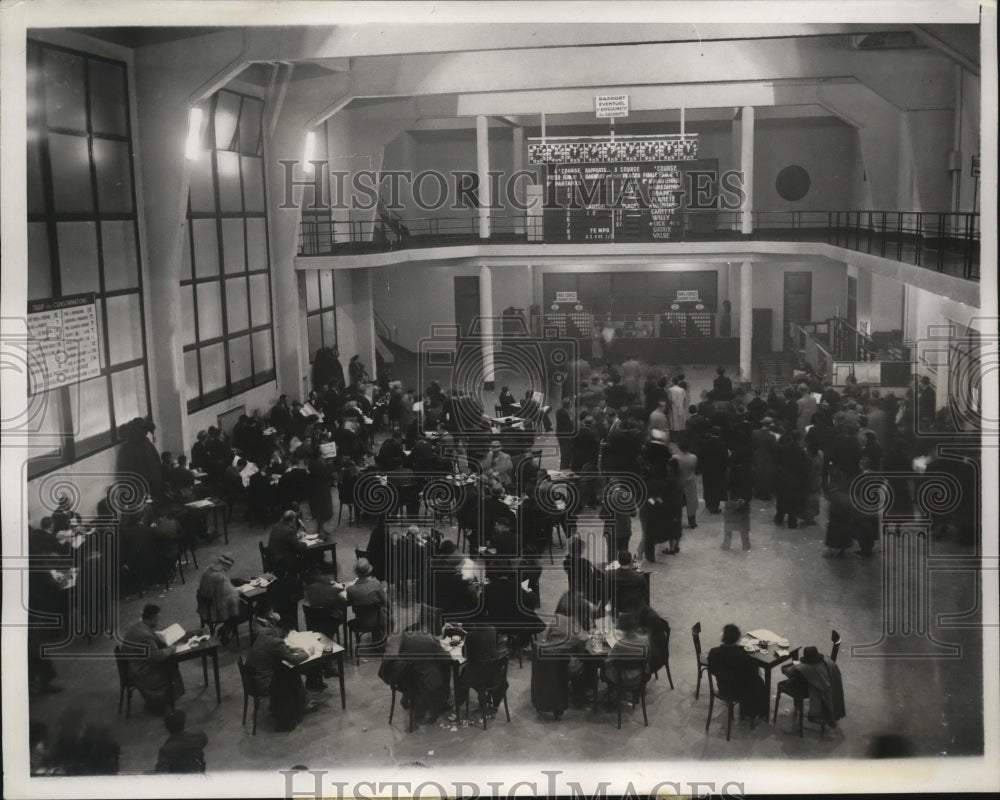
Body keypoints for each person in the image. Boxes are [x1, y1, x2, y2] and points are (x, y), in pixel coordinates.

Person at [245, 599, 318, 731]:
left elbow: (276, 649)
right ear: (284, 630)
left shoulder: (265, 634)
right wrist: (308, 652)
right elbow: (294, 660)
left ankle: (303, 702)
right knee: (293, 671)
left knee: (288, 670)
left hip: (252, 679)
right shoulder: (276, 642)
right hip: (264, 683)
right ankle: (302, 704)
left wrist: (289, 648)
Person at [120, 604, 188, 714]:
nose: (158, 621)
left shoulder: (139, 626)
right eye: (157, 618)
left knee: (169, 663)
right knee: (171, 665)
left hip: (131, 665)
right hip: (140, 671)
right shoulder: (145, 636)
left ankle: (163, 700)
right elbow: (157, 658)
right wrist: (171, 648)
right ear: (152, 618)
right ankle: (162, 703)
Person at [706, 624, 769, 721]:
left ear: (723, 638)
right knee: (760, 682)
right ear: (737, 639)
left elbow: (712, 669)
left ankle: (747, 711)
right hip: (739, 692)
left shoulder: (713, 652)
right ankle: (758, 713)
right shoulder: (743, 657)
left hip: (723, 688)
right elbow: (753, 674)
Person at [779, 645, 846, 728]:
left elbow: (787, 671)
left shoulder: (807, 667)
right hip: (830, 685)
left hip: (816, 688)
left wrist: (792, 665)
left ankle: (815, 715)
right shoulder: (827, 660)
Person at [196, 553, 248, 645]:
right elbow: (231, 597)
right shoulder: (220, 577)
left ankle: (226, 628)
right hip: (214, 611)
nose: (229, 569)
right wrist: (238, 590)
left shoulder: (207, 571)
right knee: (246, 610)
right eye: (229, 566)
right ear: (224, 565)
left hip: (205, 608)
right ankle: (226, 628)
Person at [346, 558, 388, 644]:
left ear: (357, 573)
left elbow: (349, 602)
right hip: (377, 620)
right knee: (386, 609)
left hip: (360, 621)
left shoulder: (350, 589)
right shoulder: (376, 584)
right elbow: (385, 601)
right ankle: (381, 638)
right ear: (369, 572)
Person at [610, 551, 646, 615]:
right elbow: (644, 592)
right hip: (634, 605)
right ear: (630, 561)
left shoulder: (611, 575)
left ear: (618, 561)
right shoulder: (639, 577)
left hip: (619, 605)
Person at [674, 440, 699, 529]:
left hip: (678, 482)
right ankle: (692, 521)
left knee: (677, 502)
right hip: (690, 481)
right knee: (691, 502)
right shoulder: (694, 457)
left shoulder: (675, 457)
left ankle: (676, 521)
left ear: (679, 447)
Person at [555, 398, 575, 469]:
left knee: (565, 457)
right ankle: (564, 471)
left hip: (562, 437)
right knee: (566, 457)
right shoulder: (564, 413)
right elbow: (567, 426)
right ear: (569, 405)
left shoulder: (559, 411)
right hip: (565, 438)